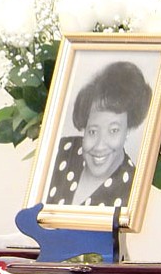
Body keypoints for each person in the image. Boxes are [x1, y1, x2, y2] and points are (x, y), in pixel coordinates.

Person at [46, 61, 151, 207]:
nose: (100, 145)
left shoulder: (133, 188)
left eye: (113, 130)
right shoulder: (62, 151)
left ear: (127, 130)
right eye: (93, 131)